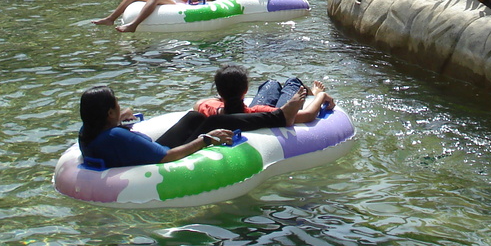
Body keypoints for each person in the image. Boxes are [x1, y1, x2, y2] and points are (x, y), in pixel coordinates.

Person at [76, 85, 307, 169]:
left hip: (142, 154)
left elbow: (120, 143)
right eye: (116, 105)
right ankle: (280, 117)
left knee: (194, 117)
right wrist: (205, 139)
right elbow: (166, 156)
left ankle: (278, 116)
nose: (120, 106)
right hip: (161, 160)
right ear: (107, 113)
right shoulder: (116, 136)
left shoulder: (89, 133)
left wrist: (119, 120)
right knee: (215, 122)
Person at [194, 64, 336, 124]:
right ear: (246, 90)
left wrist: (222, 99)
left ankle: (297, 88)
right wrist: (321, 96)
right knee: (293, 82)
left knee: (271, 84)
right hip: (273, 112)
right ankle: (311, 92)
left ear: (219, 92)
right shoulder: (259, 114)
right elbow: (307, 116)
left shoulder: (208, 108)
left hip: (228, 106)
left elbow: (198, 105)